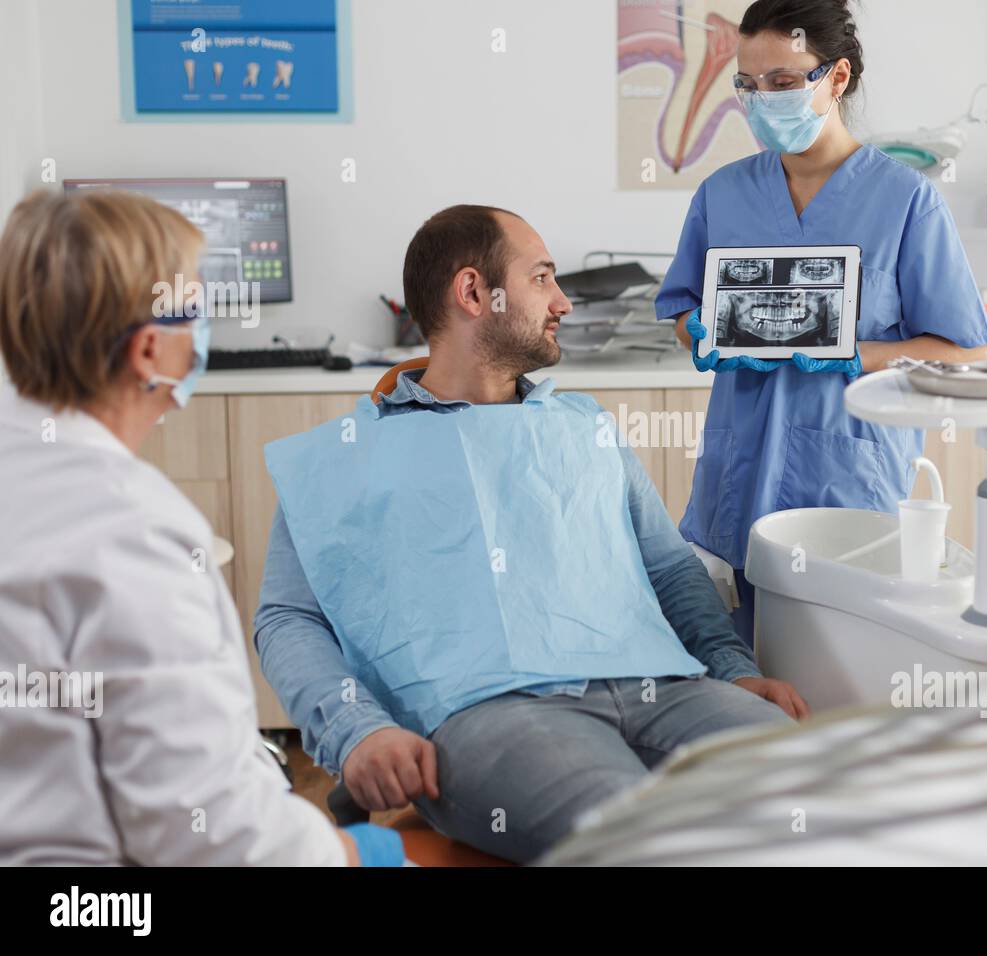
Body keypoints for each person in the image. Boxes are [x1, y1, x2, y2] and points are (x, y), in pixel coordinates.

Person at [255, 204, 808, 864]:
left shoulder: (584, 427)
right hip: (491, 713)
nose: (564, 302)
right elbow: (288, 619)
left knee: (820, 800)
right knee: (641, 839)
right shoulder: (345, 455)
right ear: (472, 293)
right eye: (542, 278)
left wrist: (732, 670)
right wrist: (356, 731)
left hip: (668, 688)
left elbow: (666, 568)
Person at [0, 190, 397, 866]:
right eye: (197, 310)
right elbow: (210, 832)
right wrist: (358, 855)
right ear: (150, 349)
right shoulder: (132, 530)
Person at [658, 0, 987, 645]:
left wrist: (853, 355)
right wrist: (698, 333)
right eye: (748, 85)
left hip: (847, 477)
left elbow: (966, 350)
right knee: (738, 675)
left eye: (783, 82)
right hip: (737, 475)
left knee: (840, 674)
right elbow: (682, 308)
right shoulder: (722, 196)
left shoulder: (905, 201)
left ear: (835, 78)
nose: (763, 100)